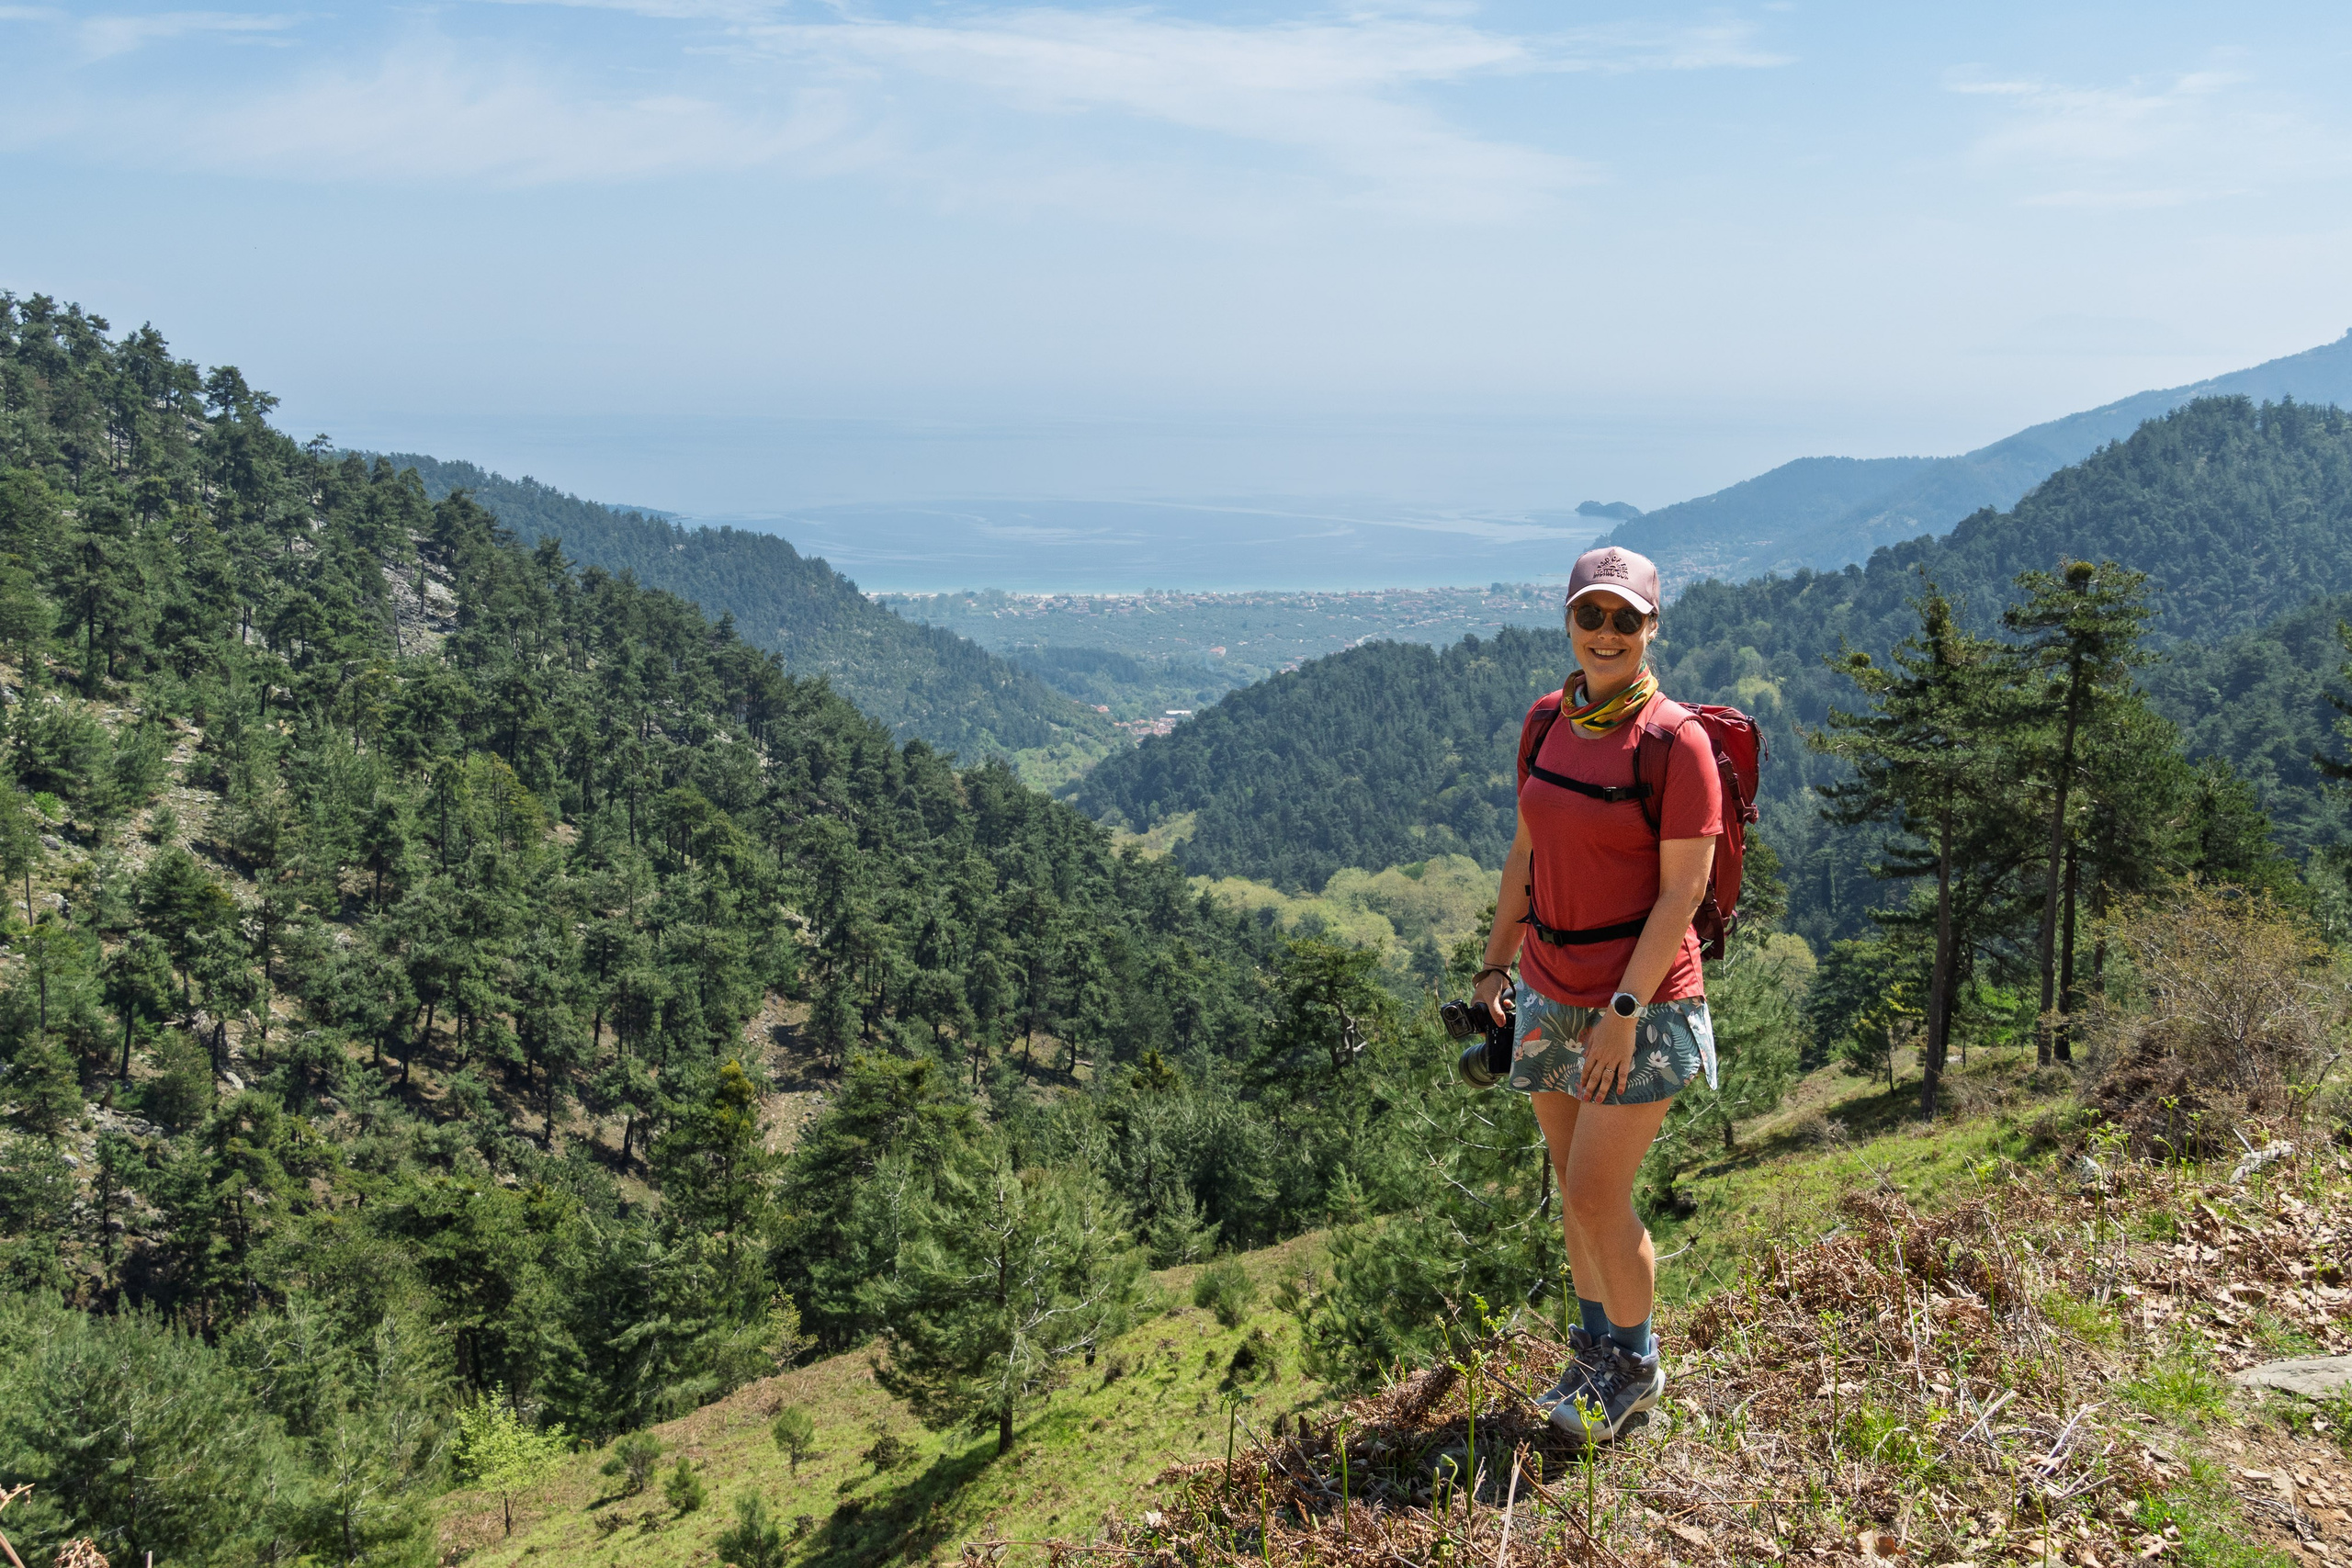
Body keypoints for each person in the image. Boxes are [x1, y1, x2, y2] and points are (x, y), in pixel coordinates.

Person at [1470, 544, 1721, 1444]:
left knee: (1593, 1196)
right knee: (1569, 1186)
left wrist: (1622, 1013)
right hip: (1545, 989)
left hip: (1641, 1005)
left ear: (1652, 628)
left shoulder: (1675, 743)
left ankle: (1637, 1365)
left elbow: (1682, 894)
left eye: (1625, 618)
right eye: (1591, 615)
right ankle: (1592, 1352)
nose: (1605, 633)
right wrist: (1494, 965)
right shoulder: (1546, 723)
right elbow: (1527, 854)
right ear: (1568, 620)